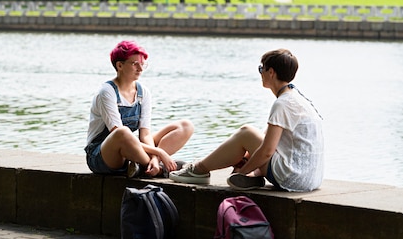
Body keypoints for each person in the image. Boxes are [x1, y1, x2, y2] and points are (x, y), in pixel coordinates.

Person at [169, 48, 324, 192]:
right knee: (256, 137)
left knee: (246, 132)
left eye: (261, 69)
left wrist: (242, 173)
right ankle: (254, 175)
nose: (260, 73)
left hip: (293, 178)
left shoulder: (282, 103)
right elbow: (269, 139)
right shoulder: (298, 99)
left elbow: (267, 151)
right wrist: (247, 159)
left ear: (271, 72)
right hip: (311, 179)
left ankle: (198, 170)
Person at [85, 39, 194, 177]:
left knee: (185, 126)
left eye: (142, 64)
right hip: (101, 155)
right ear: (119, 65)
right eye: (135, 64)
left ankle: (149, 165)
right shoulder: (107, 92)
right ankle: (158, 170)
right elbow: (118, 134)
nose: (140, 69)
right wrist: (160, 152)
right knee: (122, 133)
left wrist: (155, 157)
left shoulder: (143, 92)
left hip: (131, 149)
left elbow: (145, 134)